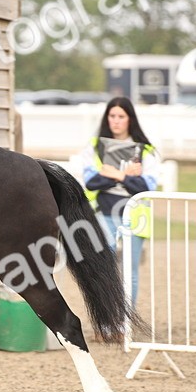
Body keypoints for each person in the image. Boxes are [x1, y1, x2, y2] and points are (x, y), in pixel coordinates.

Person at [79, 96, 160, 307]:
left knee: (129, 271)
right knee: (105, 269)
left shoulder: (145, 151)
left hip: (134, 217)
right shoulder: (95, 147)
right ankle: (107, 323)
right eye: (112, 116)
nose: (116, 121)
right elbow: (92, 182)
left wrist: (117, 174)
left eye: (121, 116)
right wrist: (128, 176)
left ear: (130, 119)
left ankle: (125, 324)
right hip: (103, 214)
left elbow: (146, 187)